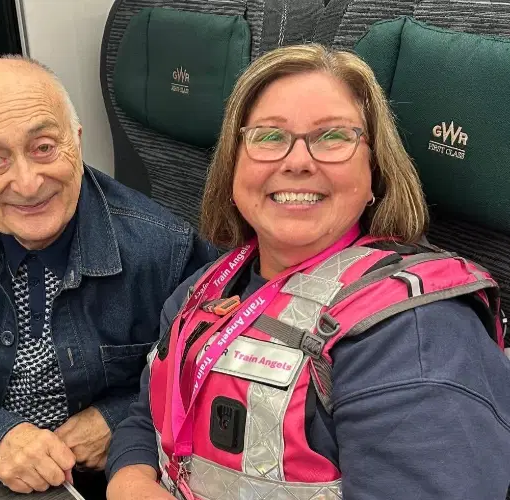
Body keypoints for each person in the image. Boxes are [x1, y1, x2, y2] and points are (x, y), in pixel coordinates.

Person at [105, 44, 510, 500]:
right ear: (233, 169)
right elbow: (147, 416)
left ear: (375, 171)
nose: (297, 161)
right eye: (268, 136)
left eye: (333, 136)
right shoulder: (204, 288)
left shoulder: (415, 337)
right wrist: (130, 479)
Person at [0, 55, 216, 499]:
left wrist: (116, 418)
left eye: (44, 148)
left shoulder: (167, 247)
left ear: (76, 140)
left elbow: (202, 376)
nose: (28, 183)